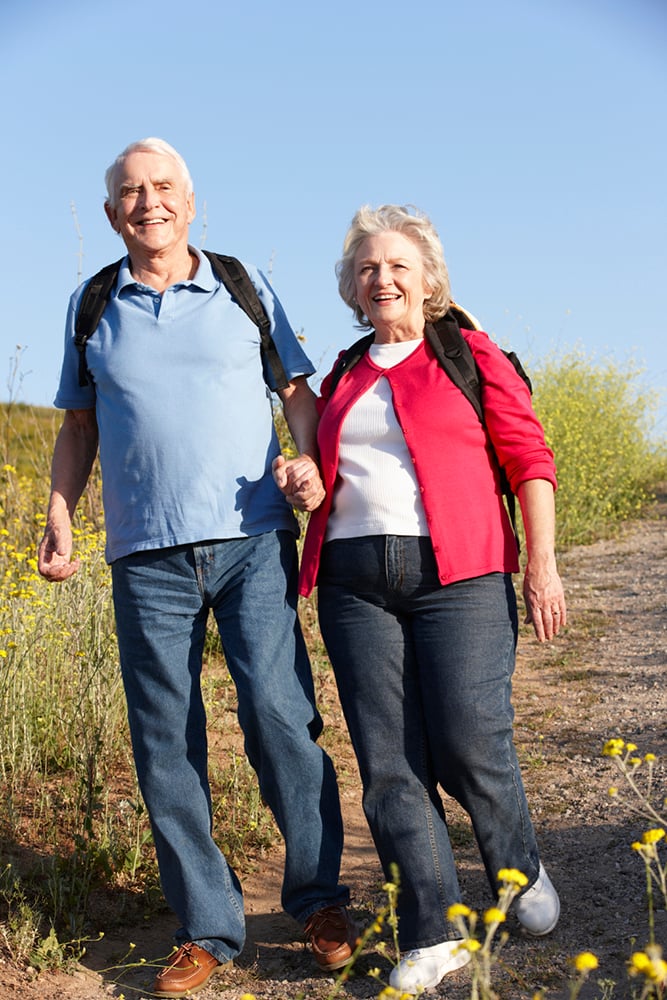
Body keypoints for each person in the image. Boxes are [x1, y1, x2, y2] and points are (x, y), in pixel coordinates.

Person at [37, 137, 356, 998]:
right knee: (165, 742)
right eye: (131, 193)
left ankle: (320, 901)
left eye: (163, 187)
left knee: (281, 715)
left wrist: (308, 465)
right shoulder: (91, 303)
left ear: (190, 199)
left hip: (250, 538)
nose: (149, 203)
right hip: (144, 556)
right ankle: (208, 929)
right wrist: (61, 515)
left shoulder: (243, 285)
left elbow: (296, 389)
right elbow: (77, 427)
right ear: (112, 213)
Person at [277, 204, 567, 995]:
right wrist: (305, 479)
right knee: (389, 762)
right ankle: (432, 932)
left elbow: (528, 459)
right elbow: (321, 474)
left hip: (462, 572)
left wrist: (539, 564)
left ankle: (516, 869)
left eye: (398, 265)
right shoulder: (340, 374)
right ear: (352, 288)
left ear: (428, 280)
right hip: (351, 581)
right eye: (367, 268)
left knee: (472, 739)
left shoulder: (469, 354)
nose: (383, 278)